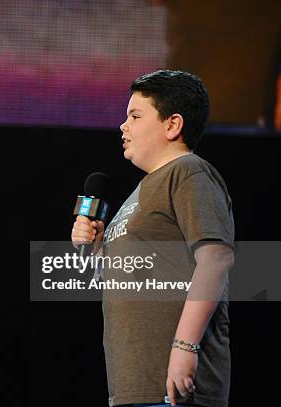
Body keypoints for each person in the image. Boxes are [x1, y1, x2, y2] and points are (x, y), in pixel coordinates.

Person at [71, 70, 234, 407]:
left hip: (175, 387)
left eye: (135, 115)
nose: (123, 126)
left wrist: (184, 347)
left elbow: (216, 259)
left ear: (172, 125)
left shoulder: (187, 171)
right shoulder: (143, 190)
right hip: (136, 384)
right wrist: (94, 248)